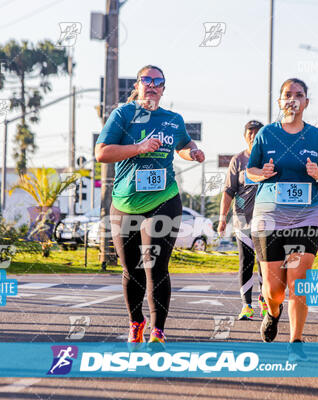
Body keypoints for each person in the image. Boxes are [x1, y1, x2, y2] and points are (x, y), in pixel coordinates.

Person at [95, 65, 205, 348]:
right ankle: (136, 321)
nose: (153, 85)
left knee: (155, 265)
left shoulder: (172, 119)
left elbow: (182, 144)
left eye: (159, 82)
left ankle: (158, 331)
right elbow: (102, 153)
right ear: (138, 85)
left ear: (163, 89)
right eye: (147, 80)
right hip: (125, 202)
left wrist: (191, 152)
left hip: (164, 200)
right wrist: (139, 147)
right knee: (131, 269)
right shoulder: (123, 115)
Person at [246, 78, 318, 360]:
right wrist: (261, 172)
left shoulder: (317, 138)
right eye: (287, 94)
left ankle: (296, 342)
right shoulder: (265, 135)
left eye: (299, 95)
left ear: (306, 102)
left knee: (298, 283)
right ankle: (272, 312)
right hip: (269, 216)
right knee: (275, 289)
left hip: (307, 217)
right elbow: (250, 171)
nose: (293, 99)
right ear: (280, 102)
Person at [218, 120, 266, 321]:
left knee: (265, 264)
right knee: (245, 262)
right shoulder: (238, 160)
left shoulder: (269, 158)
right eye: (250, 132)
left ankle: (265, 302)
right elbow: (228, 192)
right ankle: (247, 305)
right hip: (243, 222)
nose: (254, 135)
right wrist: (222, 218)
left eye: (258, 132)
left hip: (267, 222)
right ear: (245, 135)